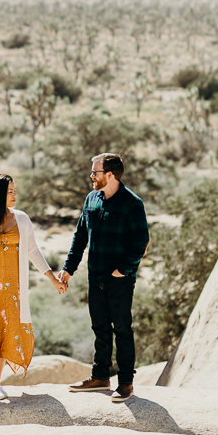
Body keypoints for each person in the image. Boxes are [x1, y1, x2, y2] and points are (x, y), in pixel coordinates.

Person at [0, 173, 66, 403]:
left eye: (14, 191)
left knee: (5, 331)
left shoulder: (21, 219)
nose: (15, 195)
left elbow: (33, 251)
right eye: (10, 192)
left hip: (13, 289)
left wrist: (52, 278)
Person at [57, 153, 149, 402]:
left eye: (94, 172)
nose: (91, 176)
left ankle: (126, 383)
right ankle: (100, 377)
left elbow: (141, 242)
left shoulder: (132, 203)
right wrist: (68, 268)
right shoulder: (91, 199)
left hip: (120, 279)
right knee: (99, 328)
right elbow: (80, 237)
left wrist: (124, 269)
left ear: (110, 175)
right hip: (94, 276)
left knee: (122, 329)